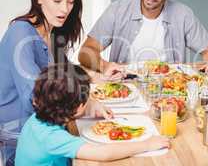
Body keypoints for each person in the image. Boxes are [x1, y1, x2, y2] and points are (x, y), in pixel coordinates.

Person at [0, 0, 111, 165]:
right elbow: (35, 98)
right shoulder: (20, 33)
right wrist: (85, 106)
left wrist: (95, 78)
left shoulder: (53, 31)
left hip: (49, 125)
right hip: (20, 135)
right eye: (57, 1)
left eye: (70, 2)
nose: (65, 10)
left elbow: (64, 73)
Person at [78, 0, 208, 77]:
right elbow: (86, 51)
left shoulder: (183, 14)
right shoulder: (118, 10)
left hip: (170, 87)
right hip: (124, 84)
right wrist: (104, 66)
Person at [15, 63, 170, 166]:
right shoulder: (52, 138)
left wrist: (92, 106)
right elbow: (104, 153)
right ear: (78, 108)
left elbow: (67, 109)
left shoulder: (41, 116)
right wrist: (147, 144)